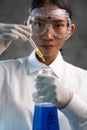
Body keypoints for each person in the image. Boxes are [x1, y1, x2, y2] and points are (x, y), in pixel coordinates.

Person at [0, 0, 87, 130]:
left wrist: (70, 102)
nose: (48, 36)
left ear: (70, 30)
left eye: (58, 25)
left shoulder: (84, 79)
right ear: (27, 27)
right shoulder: (4, 72)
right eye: (39, 24)